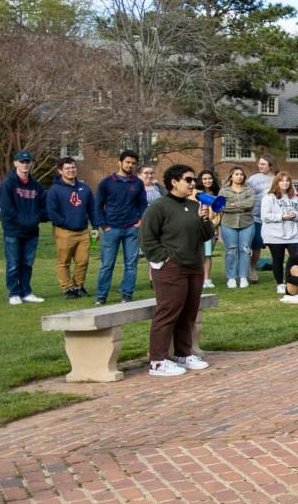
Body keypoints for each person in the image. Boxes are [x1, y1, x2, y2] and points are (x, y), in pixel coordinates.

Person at [139, 164, 215, 377]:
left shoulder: (193, 206)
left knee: (188, 312)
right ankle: (157, 361)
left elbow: (206, 235)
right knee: (169, 311)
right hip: (171, 268)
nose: (193, 184)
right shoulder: (159, 206)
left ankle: (183, 353)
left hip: (193, 265)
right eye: (188, 180)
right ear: (174, 182)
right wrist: (164, 259)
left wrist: (204, 219)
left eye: (194, 180)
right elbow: (146, 238)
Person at [93, 149, 147, 306]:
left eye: (133, 163)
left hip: (132, 229)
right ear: (120, 162)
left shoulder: (137, 183)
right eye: (127, 162)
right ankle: (101, 296)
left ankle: (127, 294)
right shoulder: (106, 182)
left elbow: (142, 203)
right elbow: (97, 205)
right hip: (111, 229)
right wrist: (103, 225)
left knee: (131, 264)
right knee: (106, 265)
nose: (130, 165)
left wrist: (140, 221)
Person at [0, 151, 46, 305]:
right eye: (22, 162)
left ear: (31, 163)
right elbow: (6, 209)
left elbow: (44, 206)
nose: (25, 164)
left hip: (31, 232)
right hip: (13, 231)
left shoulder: (36, 186)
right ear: (15, 163)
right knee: (13, 264)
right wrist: (23, 221)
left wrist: (36, 218)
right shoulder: (8, 184)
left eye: (27, 162)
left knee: (27, 263)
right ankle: (14, 293)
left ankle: (26, 292)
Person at [45, 156, 95, 298]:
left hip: (84, 232)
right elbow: (52, 213)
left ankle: (79, 286)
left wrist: (95, 227)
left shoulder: (84, 188)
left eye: (73, 167)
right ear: (60, 171)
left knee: (83, 260)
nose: (71, 170)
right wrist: (67, 223)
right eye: (67, 168)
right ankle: (67, 288)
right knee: (64, 262)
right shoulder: (54, 190)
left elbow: (92, 209)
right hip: (64, 231)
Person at [259, 171, 298, 289]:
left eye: (287, 181)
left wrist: (294, 215)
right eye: (282, 181)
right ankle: (280, 283)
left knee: (295, 258)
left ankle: (291, 280)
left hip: (293, 234)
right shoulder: (268, 197)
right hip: (275, 235)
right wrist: (281, 216)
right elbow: (265, 216)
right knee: (278, 259)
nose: (285, 183)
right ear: (277, 182)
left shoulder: (295, 198)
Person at [217, 166, 257, 290]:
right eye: (236, 174)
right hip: (228, 223)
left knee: (245, 250)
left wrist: (233, 204)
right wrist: (241, 206)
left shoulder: (249, 190)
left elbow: (250, 204)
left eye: (241, 174)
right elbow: (222, 206)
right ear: (231, 176)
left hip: (247, 223)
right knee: (231, 250)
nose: (239, 176)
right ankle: (231, 278)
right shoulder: (224, 191)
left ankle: (243, 276)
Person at [245, 154, 275, 275]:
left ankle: (276, 270)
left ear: (270, 165)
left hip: (273, 218)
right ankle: (252, 269)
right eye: (259, 163)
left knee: (275, 245)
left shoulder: (277, 178)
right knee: (256, 244)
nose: (259, 166)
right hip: (256, 217)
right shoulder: (253, 179)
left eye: (263, 164)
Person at [194, 171, 223, 290]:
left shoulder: (217, 195)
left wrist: (211, 224)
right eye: (204, 179)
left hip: (211, 229)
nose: (207, 181)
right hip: (196, 228)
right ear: (200, 180)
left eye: (210, 178)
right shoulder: (195, 194)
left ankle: (207, 278)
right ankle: (198, 278)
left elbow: (219, 214)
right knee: (198, 255)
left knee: (207, 254)